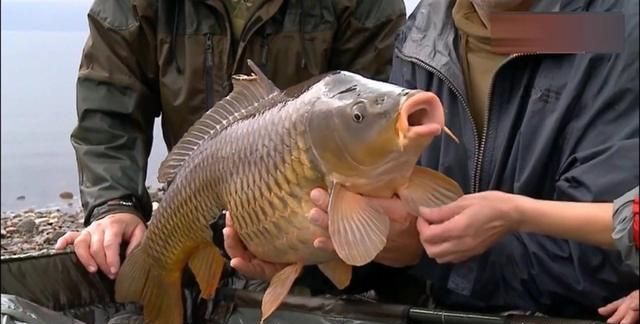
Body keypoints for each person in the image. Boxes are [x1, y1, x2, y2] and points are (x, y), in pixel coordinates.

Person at [222, 0, 639, 321]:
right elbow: (385, 227)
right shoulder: (427, 29)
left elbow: (602, 260)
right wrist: (308, 248)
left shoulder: (610, 30)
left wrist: (426, 253)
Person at [55, 0, 407, 281]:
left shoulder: (365, 6)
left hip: (313, 226)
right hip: (197, 192)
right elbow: (110, 107)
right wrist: (114, 205)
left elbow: (375, 116)